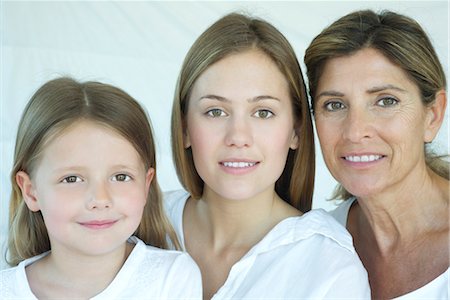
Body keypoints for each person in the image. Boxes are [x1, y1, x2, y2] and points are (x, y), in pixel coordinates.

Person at [166, 12, 370, 299]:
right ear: (185, 127)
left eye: (263, 112)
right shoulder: (136, 223)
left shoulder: (328, 267)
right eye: (215, 111)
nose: (238, 136)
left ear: (296, 131)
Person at [1, 77, 202, 299]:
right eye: (72, 179)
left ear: (146, 185)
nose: (100, 198)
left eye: (121, 176)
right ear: (30, 191)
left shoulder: (171, 279)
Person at [304, 9, 449, 299]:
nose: (355, 132)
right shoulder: (310, 244)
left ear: (432, 115)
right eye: (334, 105)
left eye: (385, 101)